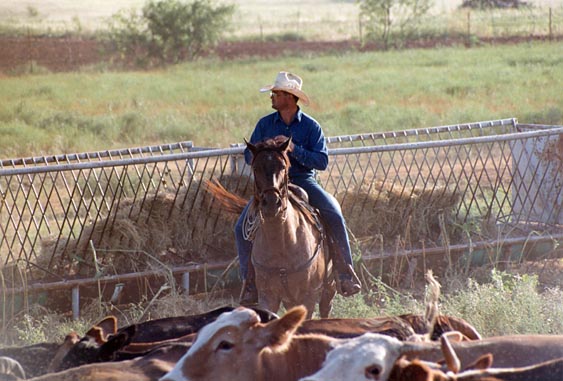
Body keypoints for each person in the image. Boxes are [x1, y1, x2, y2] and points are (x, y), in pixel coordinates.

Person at [235, 71, 362, 305]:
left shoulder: (311, 127)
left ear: (290, 98)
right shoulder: (264, 125)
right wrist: (266, 150)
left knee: (333, 213)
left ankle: (345, 273)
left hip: (303, 179)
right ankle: (250, 283)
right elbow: (247, 155)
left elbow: (321, 161)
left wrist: (294, 149)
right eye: (273, 93)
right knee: (240, 227)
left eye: (276, 93)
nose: (272, 97)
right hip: (269, 185)